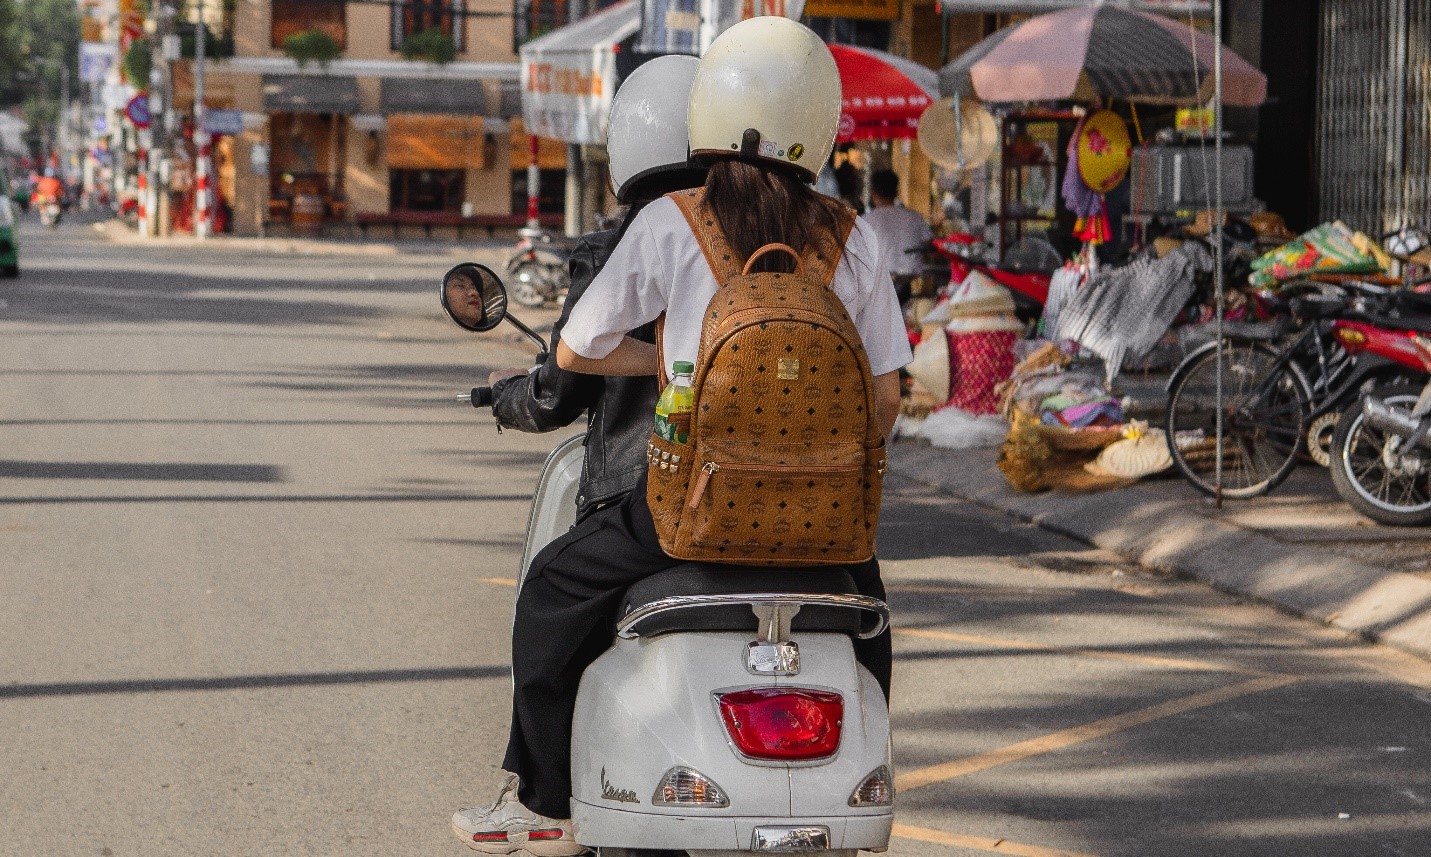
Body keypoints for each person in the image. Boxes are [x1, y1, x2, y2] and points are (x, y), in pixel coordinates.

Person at [450, 18, 911, 855]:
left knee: (551, 592)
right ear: (818, 120)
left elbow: (574, 348)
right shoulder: (854, 235)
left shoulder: (675, 220)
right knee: (869, 626)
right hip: (826, 528)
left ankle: (543, 793)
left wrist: (667, 364)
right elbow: (886, 395)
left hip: (688, 511)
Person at [479, 54, 708, 522]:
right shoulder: (770, 242)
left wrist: (507, 394)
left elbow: (558, 390)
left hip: (637, 491)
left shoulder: (617, 247)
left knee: (547, 590)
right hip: (761, 491)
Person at [862, 168, 932, 304]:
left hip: (881, 285)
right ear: (896, 191)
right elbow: (930, 244)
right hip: (916, 284)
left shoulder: (865, 221)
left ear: (873, 194)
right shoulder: (914, 217)